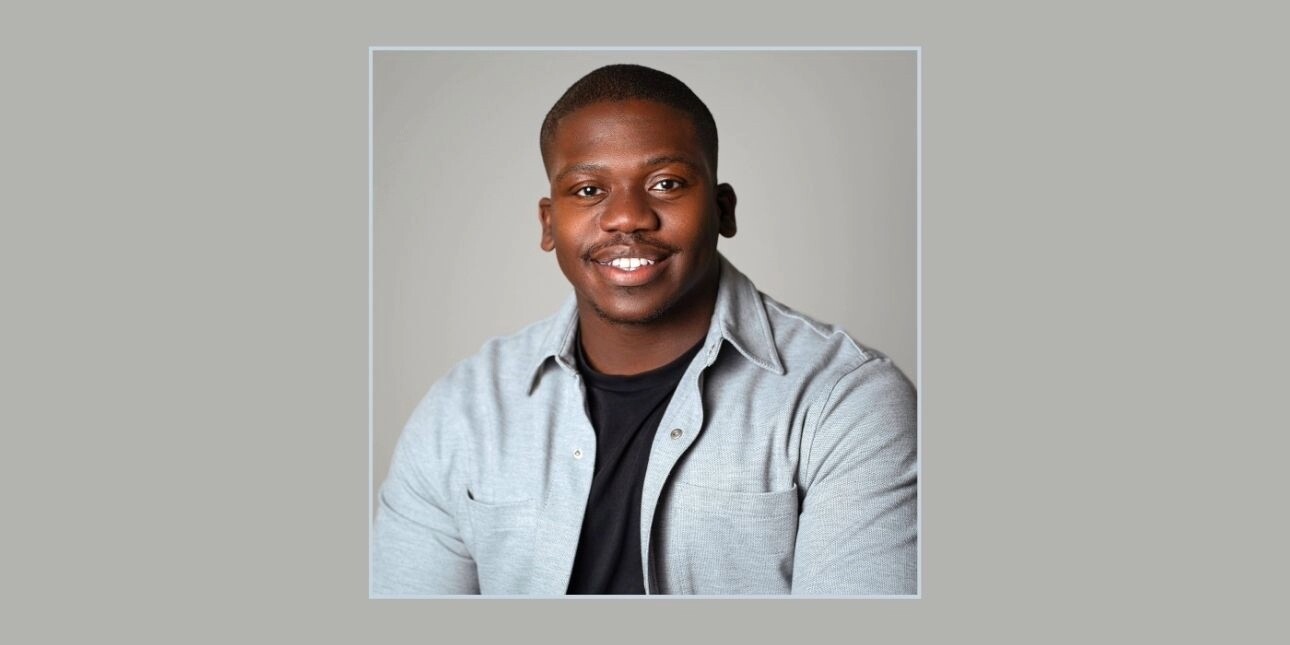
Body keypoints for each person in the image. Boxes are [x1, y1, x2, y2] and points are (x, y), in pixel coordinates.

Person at [372, 63, 917, 596]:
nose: (627, 216)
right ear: (547, 223)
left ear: (723, 210)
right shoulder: (462, 411)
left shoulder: (848, 405)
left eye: (666, 183)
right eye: (588, 191)